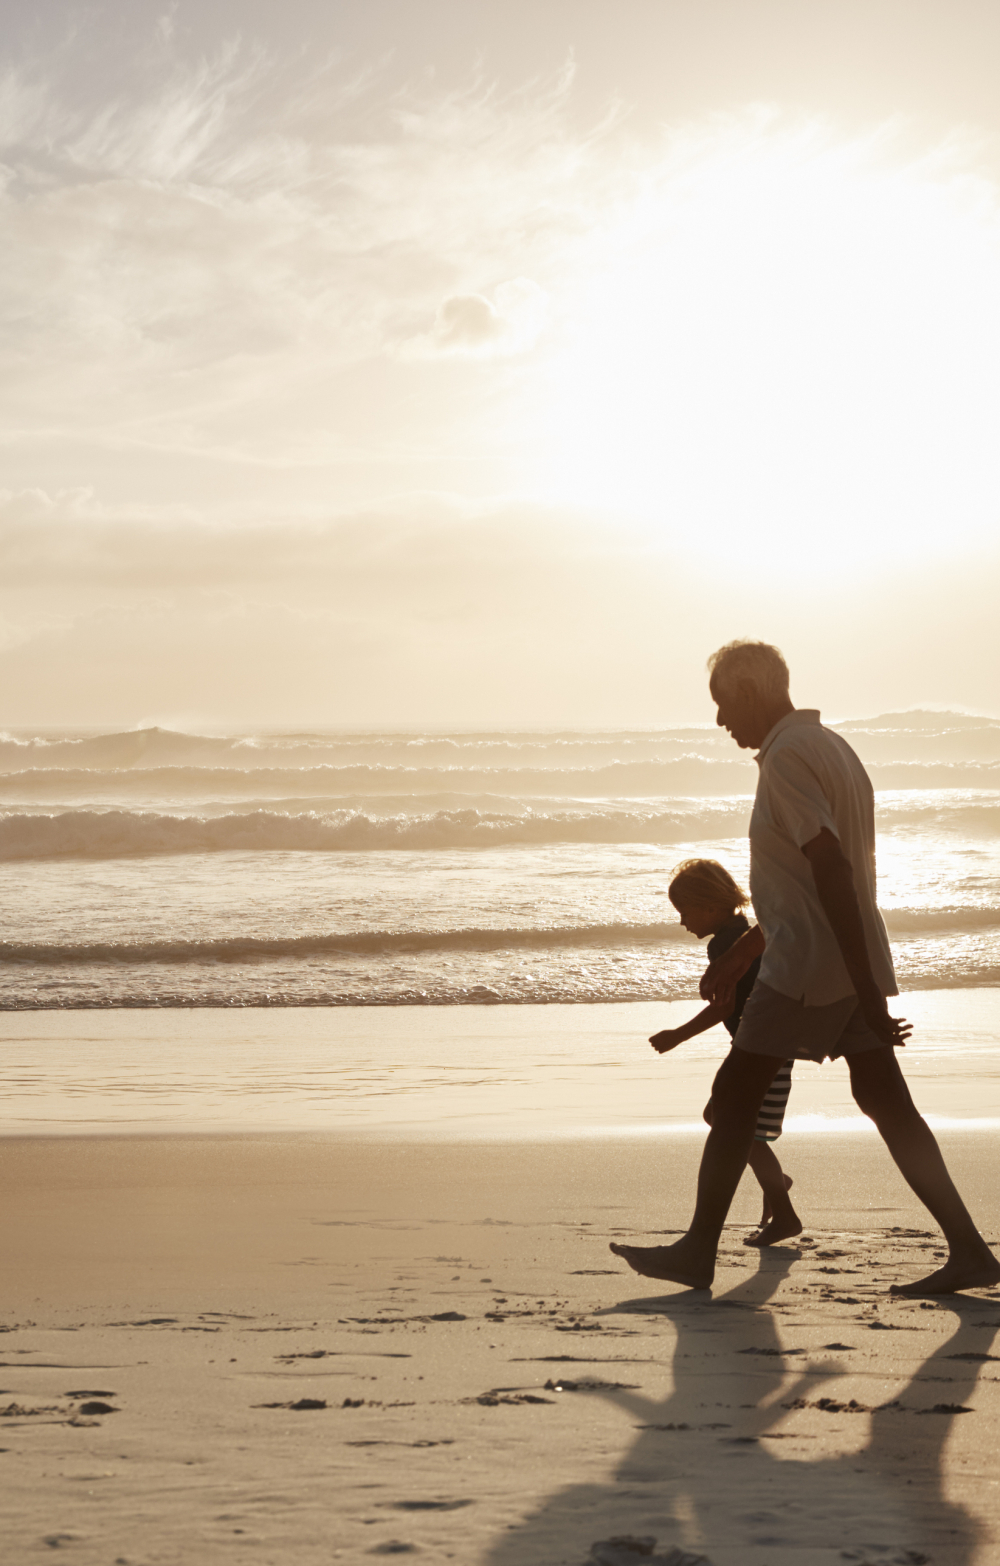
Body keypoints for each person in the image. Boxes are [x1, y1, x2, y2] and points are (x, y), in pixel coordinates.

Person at [612, 639, 1000, 1296]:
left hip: (805, 972)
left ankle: (697, 1252)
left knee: (735, 1099)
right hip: (839, 962)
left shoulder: (788, 757)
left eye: (723, 704)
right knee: (883, 1099)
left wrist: (863, 986)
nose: (720, 721)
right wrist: (752, 949)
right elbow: (807, 881)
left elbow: (830, 867)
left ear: (750, 690)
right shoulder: (834, 750)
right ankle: (968, 1250)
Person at [651, 857, 800, 1245]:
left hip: (763, 1045)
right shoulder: (745, 934)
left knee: (733, 1123)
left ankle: (782, 1207)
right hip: (768, 1042)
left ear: (712, 908)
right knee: (727, 1118)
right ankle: (776, 1186)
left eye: (685, 912)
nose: (682, 922)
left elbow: (725, 1006)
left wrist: (678, 1035)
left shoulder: (727, 945)